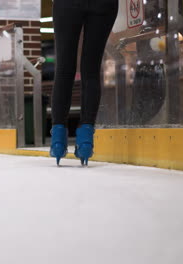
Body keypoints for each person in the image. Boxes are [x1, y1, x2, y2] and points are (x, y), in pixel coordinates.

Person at [50, 0, 118, 166]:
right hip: (103, 5)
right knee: (91, 70)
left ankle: (58, 141)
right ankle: (86, 140)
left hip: (68, 4)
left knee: (64, 69)